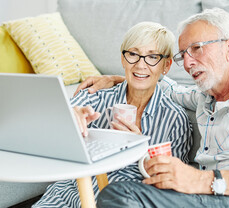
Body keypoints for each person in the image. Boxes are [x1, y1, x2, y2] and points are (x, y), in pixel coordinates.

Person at [78, 8, 229, 208]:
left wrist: (201, 180)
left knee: (121, 195)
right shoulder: (204, 96)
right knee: (123, 190)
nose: (187, 63)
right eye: (183, 55)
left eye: (197, 48)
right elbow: (167, 87)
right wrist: (124, 78)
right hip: (210, 196)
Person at [32, 22, 192, 208]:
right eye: (133, 54)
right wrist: (67, 116)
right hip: (71, 192)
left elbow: (173, 187)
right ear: (123, 59)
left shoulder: (174, 119)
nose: (141, 65)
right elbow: (44, 123)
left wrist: (141, 150)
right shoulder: (95, 96)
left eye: (152, 57)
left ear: (166, 65)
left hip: (121, 199)